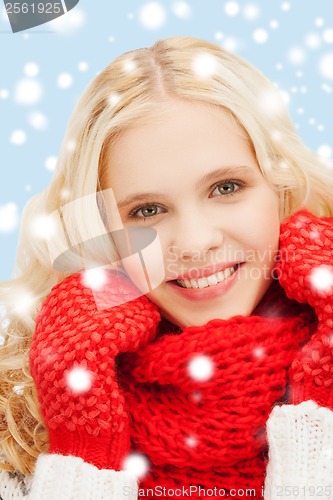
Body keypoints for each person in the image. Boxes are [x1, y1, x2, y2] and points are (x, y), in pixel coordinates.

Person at [0, 36, 333, 500]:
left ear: (277, 187)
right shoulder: (20, 434)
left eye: (226, 187)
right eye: (147, 211)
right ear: (102, 232)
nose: (196, 243)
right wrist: (83, 444)